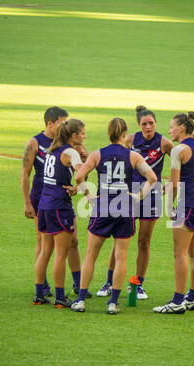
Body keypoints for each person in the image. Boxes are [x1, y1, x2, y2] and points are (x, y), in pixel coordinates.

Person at [70, 118, 157, 314]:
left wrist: (90, 196)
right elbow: (152, 177)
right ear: (124, 134)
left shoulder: (97, 154)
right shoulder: (133, 156)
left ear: (108, 133)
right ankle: (113, 303)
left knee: (91, 254)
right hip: (125, 208)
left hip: (103, 207)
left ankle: (81, 300)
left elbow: (78, 177)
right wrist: (138, 196)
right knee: (121, 257)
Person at [97, 106, 174, 300]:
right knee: (120, 239)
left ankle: (138, 284)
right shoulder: (130, 140)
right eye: (144, 124)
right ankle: (109, 282)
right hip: (129, 194)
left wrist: (171, 185)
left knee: (143, 242)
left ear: (156, 123)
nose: (148, 127)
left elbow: (179, 163)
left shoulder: (164, 143)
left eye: (151, 123)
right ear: (139, 125)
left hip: (152, 195)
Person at [21, 107, 89, 297]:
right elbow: (25, 175)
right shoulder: (37, 143)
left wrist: (77, 184)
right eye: (61, 122)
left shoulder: (59, 147)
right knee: (50, 247)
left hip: (51, 200)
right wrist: (27, 203)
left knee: (66, 243)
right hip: (48, 200)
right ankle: (52, 291)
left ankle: (71, 286)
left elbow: (78, 173)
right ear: (50, 123)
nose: (64, 125)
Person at [154, 112, 194, 314]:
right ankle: (193, 297)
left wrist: (170, 209)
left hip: (187, 206)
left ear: (181, 128)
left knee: (179, 253)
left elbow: (174, 184)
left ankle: (178, 301)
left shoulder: (179, 150)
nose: (169, 130)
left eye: (171, 127)